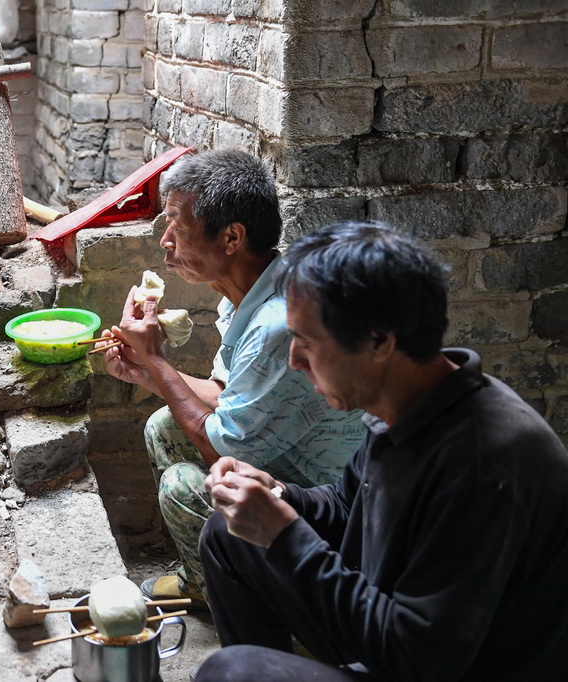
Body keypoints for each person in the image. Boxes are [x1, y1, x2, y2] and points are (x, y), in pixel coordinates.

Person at [196, 222, 568, 681]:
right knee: (228, 532)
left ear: (379, 341)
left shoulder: (483, 460)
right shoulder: (402, 404)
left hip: (430, 664)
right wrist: (281, 497)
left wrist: (285, 536)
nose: (294, 359)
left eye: (308, 342)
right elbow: (349, 505)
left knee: (234, 671)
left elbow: (420, 655)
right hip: (388, 631)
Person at [97, 149, 365, 603]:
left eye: (178, 228)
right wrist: (147, 370)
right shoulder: (251, 292)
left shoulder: (278, 325)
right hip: (286, 457)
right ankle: (204, 580)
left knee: (182, 486)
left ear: (231, 238)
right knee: (164, 426)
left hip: (328, 514)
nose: (165, 241)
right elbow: (223, 394)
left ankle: (274, 602)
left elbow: (220, 442)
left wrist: (159, 362)